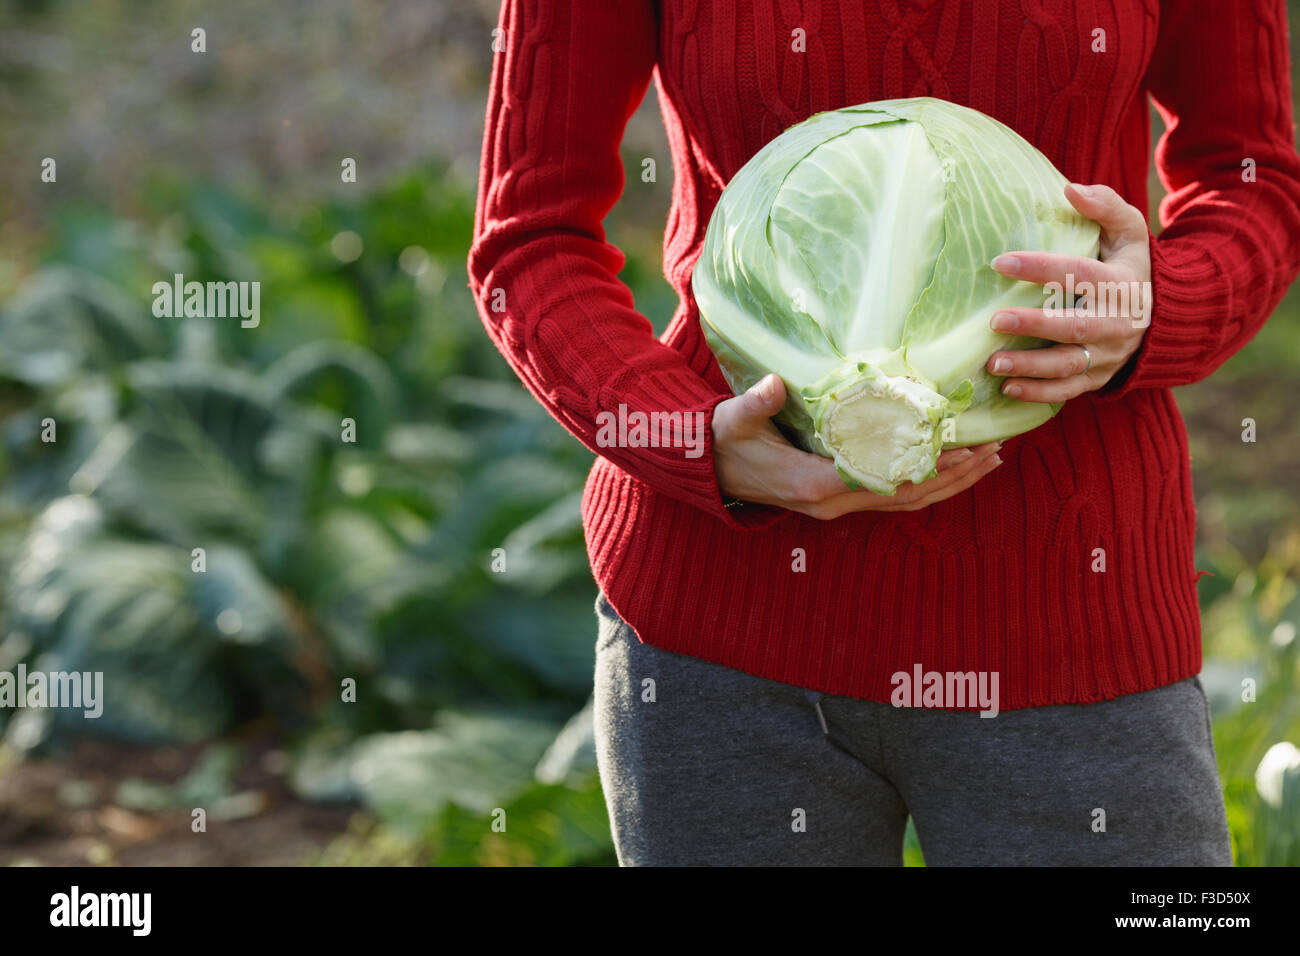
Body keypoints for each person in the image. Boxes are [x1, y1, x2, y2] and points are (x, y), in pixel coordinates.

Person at [468, 0, 1300, 865]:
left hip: (1072, 618)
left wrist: (1158, 300)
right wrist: (690, 440)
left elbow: (1256, 180)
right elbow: (530, 235)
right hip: (721, 636)